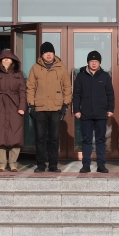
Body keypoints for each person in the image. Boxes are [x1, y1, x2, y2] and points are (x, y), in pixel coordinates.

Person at [26, 41, 71, 173]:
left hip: (56, 108)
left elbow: (67, 87)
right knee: (40, 138)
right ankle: (41, 164)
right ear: (42, 54)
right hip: (40, 108)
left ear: (54, 53)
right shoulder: (35, 68)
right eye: (46, 52)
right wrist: (31, 105)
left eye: (50, 52)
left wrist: (65, 104)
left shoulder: (61, 68)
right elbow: (30, 87)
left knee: (54, 138)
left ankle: (53, 164)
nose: (48, 54)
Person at [73, 50, 115, 174]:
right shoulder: (81, 76)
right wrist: (77, 109)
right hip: (85, 113)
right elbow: (76, 94)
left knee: (100, 140)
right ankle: (86, 165)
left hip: (101, 113)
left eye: (96, 61)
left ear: (99, 63)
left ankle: (101, 165)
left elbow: (110, 94)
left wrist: (110, 109)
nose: (94, 63)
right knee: (86, 140)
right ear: (88, 62)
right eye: (92, 61)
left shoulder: (105, 76)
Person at [0, 49, 26, 172]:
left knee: (16, 135)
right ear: (0, 60)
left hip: (15, 105)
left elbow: (22, 91)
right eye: (4, 57)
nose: (6, 59)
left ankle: (13, 164)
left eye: (9, 57)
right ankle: (2, 164)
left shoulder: (18, 73)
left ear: (13, 60)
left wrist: (22, 107)